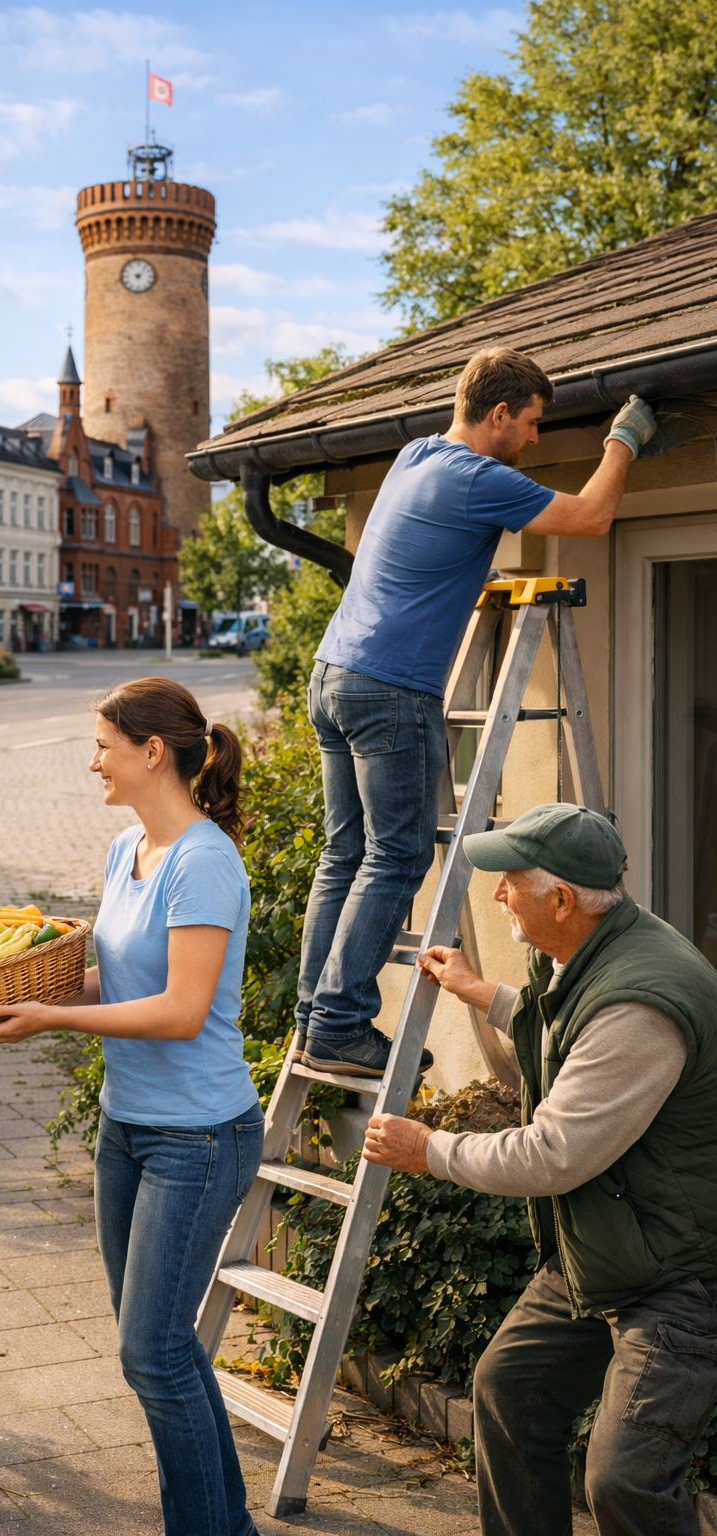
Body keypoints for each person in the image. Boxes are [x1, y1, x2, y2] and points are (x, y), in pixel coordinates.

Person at [295, 347, 658, 1079]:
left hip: (334, 674)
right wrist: (625, 437)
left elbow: (416, 548)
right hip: (392, 688)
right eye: (529, 424)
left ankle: (314, 1016)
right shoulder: (479, 478)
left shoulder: (416, 455)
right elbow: (591, 516)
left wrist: (467, 572)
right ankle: (339, 1023)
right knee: (395, 858)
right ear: (497, 414)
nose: (533, 440)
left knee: (345, 853)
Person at [362, 803, 717, 1536]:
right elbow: (567, 1028)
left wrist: (427, 1150)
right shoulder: (585, 952)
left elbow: (553, 1153)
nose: (496, 895)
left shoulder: (640, 1002)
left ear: (561, 899)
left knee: (626, 1483)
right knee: (510, 1391)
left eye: (510, 882)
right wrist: (482, 993)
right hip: (613, 1240)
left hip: (681, 1269)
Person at [0, 677, 263, 1536]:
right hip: (127, 1128)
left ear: (150, 752)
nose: (92, 760)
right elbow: (122, 983)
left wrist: (54, 1015)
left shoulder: (205, 861)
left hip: (199, 1137)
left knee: (153, 1352)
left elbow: (179, 1010)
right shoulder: (125, 850)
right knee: (163, 1350)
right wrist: (28, 1010)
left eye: (101, 745)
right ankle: (218, 1522)